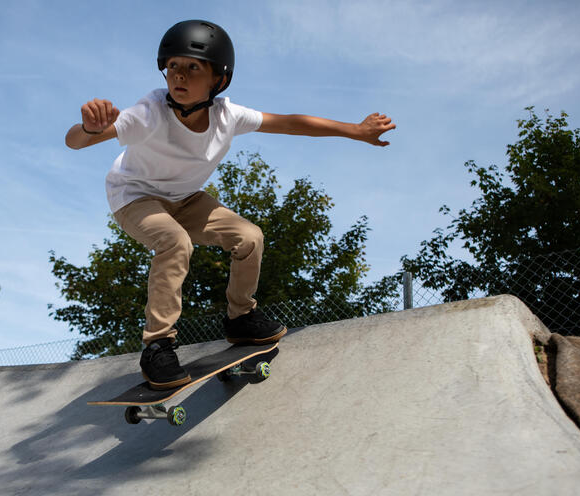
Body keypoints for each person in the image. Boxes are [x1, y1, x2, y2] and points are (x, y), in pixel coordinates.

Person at [65, 20, 395, 390]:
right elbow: (75, 142)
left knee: (249, 237)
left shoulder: (228, 115)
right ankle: (158, 345)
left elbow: (288, 123)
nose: (180, 76)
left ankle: (240, 318)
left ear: (218, 80)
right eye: (173, 66)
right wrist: (91, 128)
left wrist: (355, 130)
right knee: (175, 242)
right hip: (135, 197)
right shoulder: (149, 113)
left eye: (193, 68)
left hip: (187, 200)